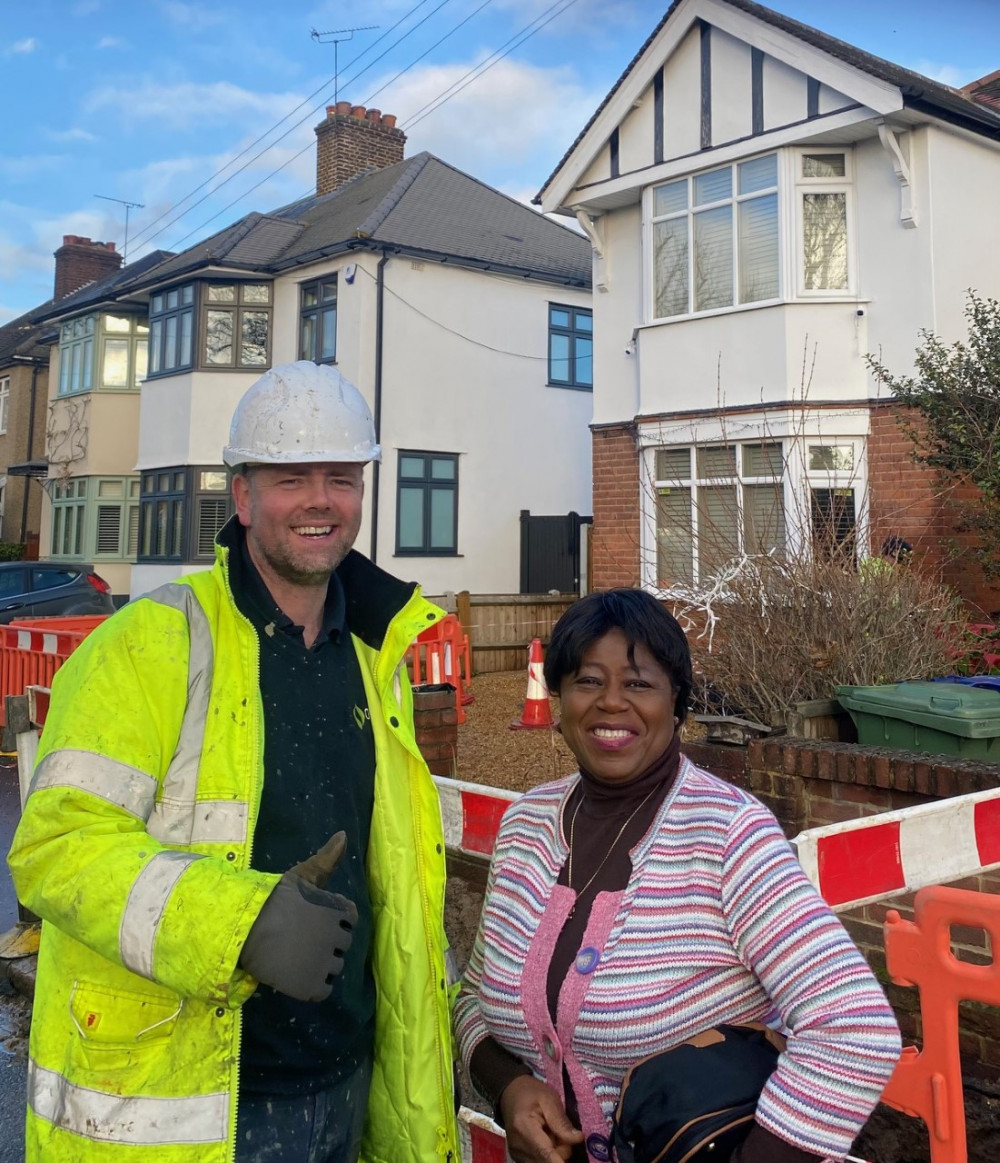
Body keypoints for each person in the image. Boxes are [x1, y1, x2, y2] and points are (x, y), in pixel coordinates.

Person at [8, 361, 458, 1163]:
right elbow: (56, 848)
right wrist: (240, 923)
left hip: (345, 1084)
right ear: (242, 496)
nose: (321, 499)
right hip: (189, 1103)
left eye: (342, 477)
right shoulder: (149, 647)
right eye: (291, 477)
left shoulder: (374, 655)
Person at [454, 589, 901, 1163]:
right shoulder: (525, 827)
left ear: (677, 703)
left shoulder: (729, 835)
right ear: (560, 698)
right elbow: (472, 999)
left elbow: (854, 1029)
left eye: (639, 683)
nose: (611, 703)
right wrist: (510, 1086)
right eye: (588, 681)